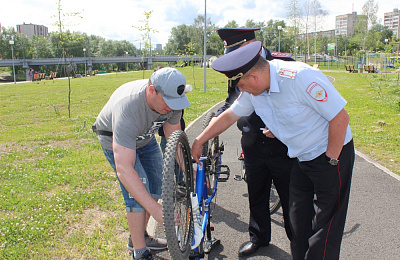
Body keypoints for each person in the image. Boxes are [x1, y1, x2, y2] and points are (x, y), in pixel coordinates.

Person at [192, 41, 355, 260]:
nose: (240, 91)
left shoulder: (299, 78)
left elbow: (340, 117)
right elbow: (230, 115)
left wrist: (331, 162)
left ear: (254, 78)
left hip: (331, 154)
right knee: (298, 224)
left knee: (325, 228)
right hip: (301, 157)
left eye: (241, 85)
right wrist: (200, 139)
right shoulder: (254, 90)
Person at [93, 68, 191, 260]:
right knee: (138, 190)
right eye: (168, 102)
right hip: (114, 137)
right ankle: (140, 253)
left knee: (156, 184)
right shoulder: (128, 107)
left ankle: (140, 237)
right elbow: (124, 169)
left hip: (145, 139)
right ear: (152, 90)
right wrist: (156, 211)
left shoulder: (173, 102)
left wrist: (189, 173)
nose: (171, 108)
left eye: (175, 103)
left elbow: (173, 138)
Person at [214, 28, 294, 256]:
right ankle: (259, 237)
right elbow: (233, 99)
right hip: (252, 139)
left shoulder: (282, 64)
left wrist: (282, 126)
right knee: (256, 191)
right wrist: (218, 116)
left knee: (290, 196)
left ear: (252, 44)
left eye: (237, 50)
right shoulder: (236, 66)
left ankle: (298, 243)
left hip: (283, 144)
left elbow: (297, 104)